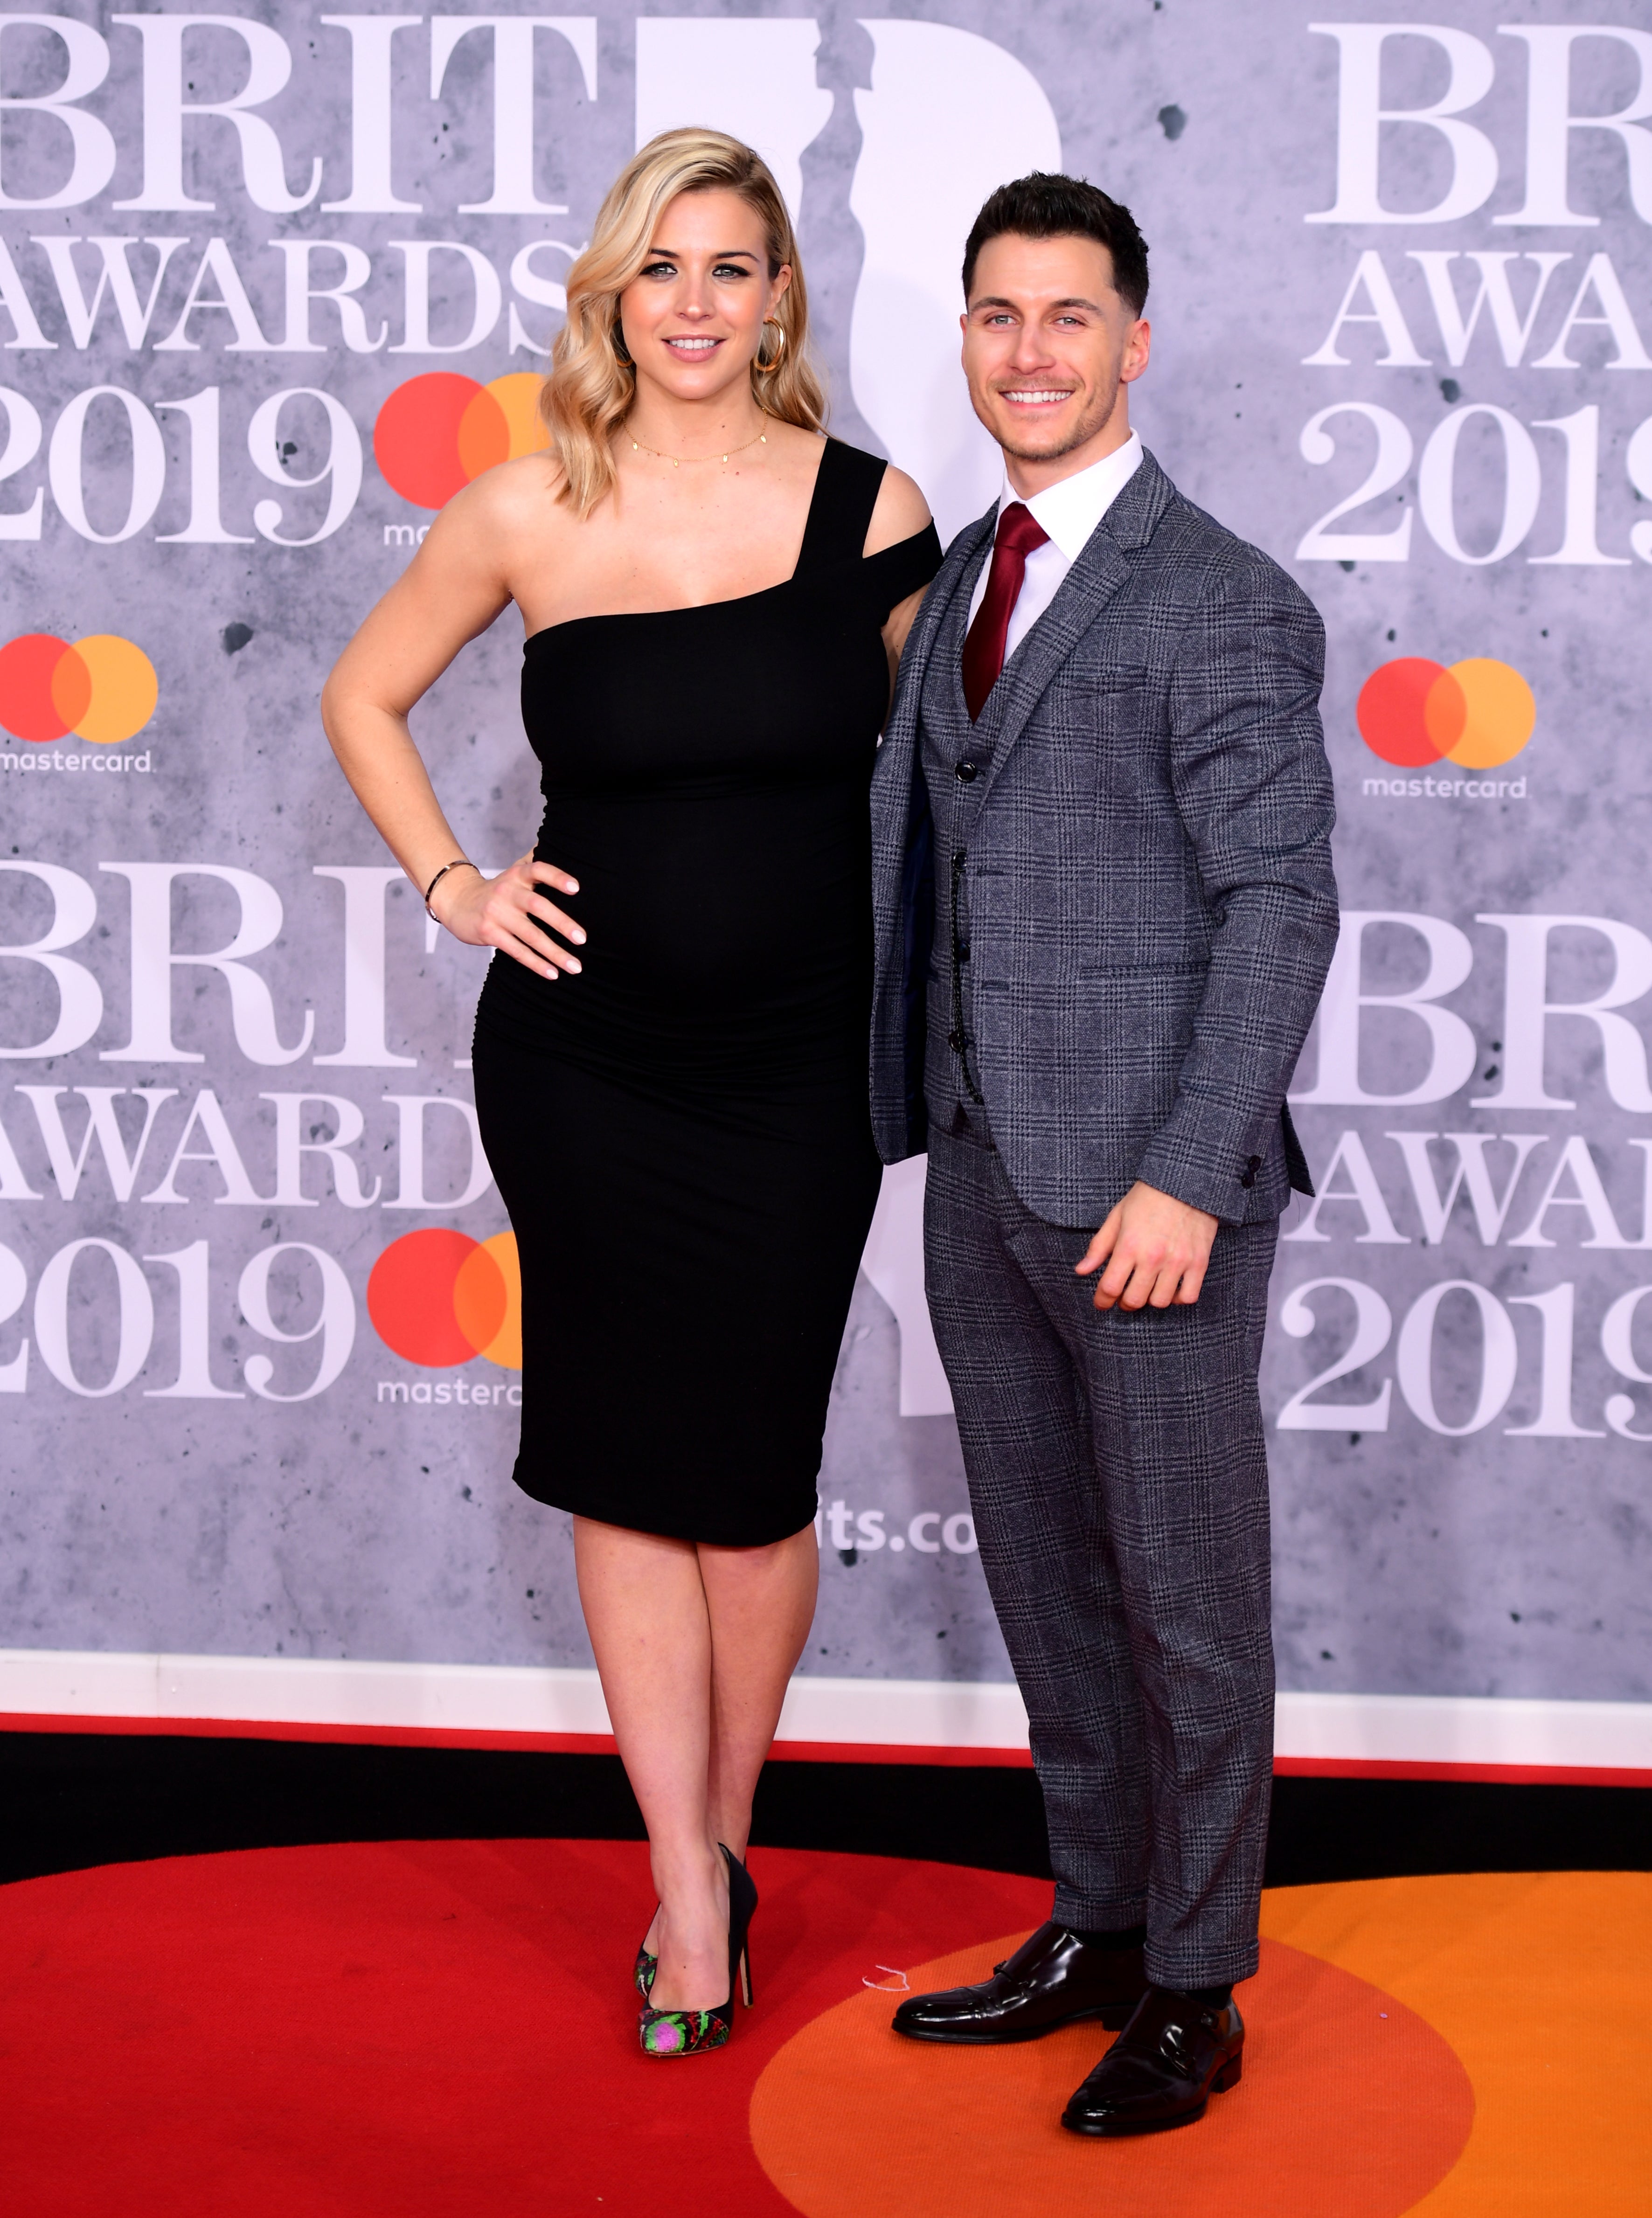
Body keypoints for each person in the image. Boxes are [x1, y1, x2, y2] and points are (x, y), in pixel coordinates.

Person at [322, 129, 938, 2059]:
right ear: (612, 292)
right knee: (612, 1457)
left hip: (797, 1068)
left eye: (730, 268)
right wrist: (456, 886)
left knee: (748, 1485)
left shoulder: (871, 507)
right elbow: (360, 694)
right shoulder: (526, 504)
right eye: (660, 266)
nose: (692, 302)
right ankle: (686, 1887)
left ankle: (722, 1840)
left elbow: (960, 783)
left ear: (779, 302)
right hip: (583, 1069)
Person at [868, 173, 1338, 2136]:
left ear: (1134, 338)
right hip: (979, 1173)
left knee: (1184, 1596)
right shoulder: (964, 574)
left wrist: (1182, 1170)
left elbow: (1277, 906)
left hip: (1149, 1192)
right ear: (965, 337)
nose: (1031, 351)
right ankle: (1099, 1918)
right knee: (1055, 1583)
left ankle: (1201, 1986)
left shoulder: (1222, 596)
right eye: (998, 315)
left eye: (1069, 316)